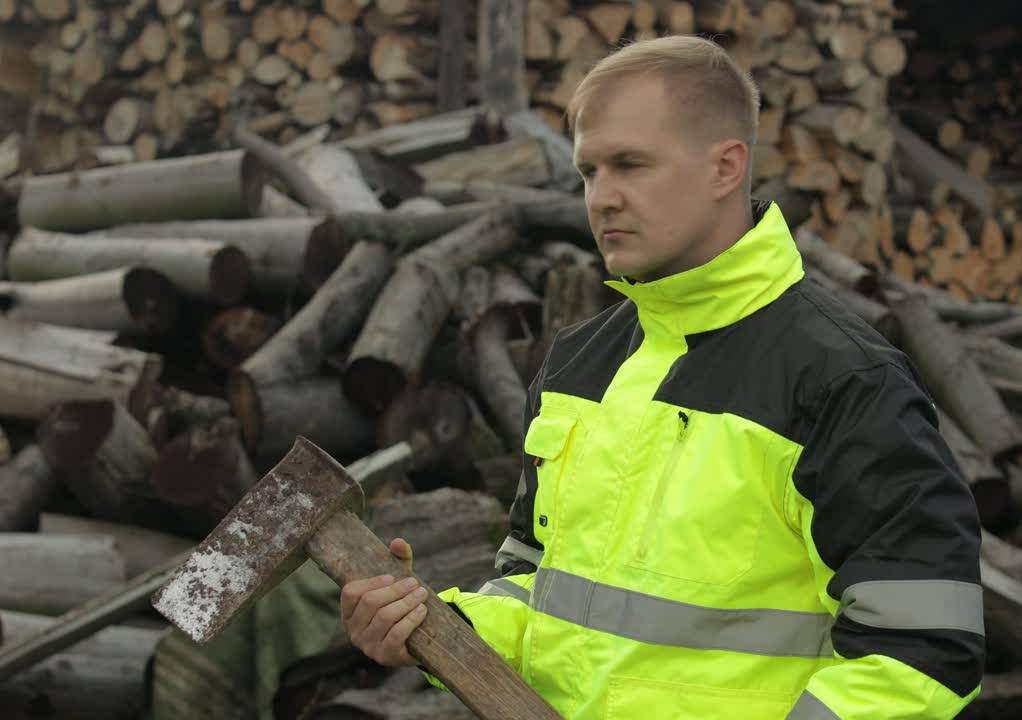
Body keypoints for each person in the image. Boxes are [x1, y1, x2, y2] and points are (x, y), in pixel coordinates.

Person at [340, 34, 985, 719]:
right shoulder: (578, 365)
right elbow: (538, 589)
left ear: (725, 168)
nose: (603, 198)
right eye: (589, 171)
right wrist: (437, 629)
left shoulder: (842, 380)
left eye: (631, 165)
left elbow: (923, 653)